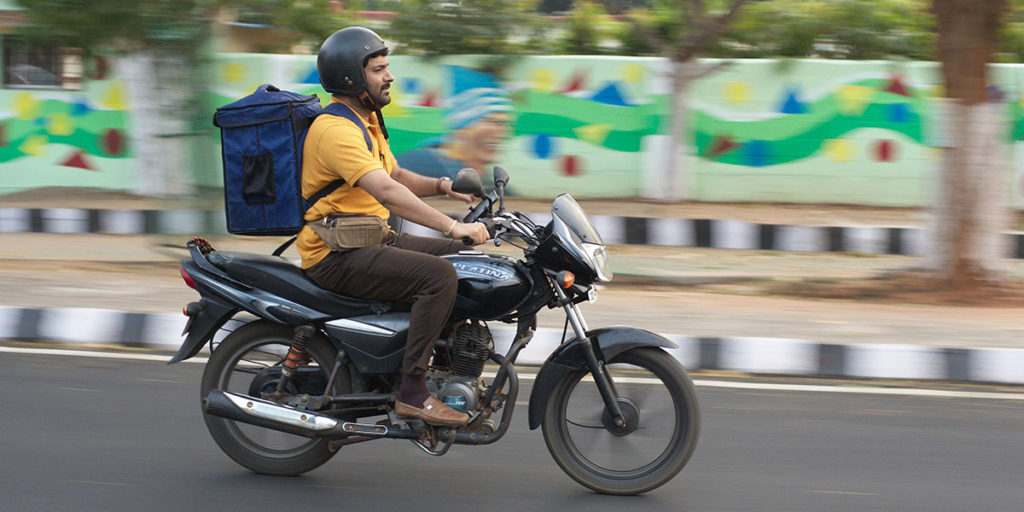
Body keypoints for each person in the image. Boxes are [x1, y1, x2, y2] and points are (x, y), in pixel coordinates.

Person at [299, 27, 489, 426]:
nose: (389, 77)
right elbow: (385, 190)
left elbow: (396, 173)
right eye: (379, 69)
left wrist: (443, 186)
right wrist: (453, 227)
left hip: (368, 241)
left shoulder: (366, 122)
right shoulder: (335, 130)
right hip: (335, 255)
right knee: (438, 276)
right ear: (352, 77)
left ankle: (444, 366)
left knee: (465, 263)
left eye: (388, 68)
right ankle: (413, 392)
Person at [397, 66, 512, 187]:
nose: (501, 132)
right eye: (491, 121)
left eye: (504, 123)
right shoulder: (415, 164)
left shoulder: (492, 184)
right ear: (462, 127)